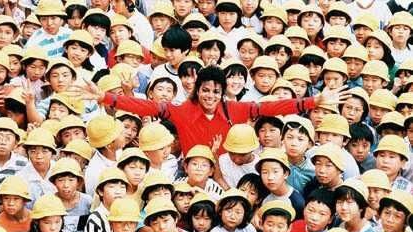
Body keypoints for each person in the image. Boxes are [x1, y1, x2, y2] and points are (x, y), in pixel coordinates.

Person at [73, 65, 351, 156]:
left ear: (222, 92)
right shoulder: (181, 111)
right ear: (197, 90)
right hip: (193, 174)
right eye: (205, 90)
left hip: (227, 174)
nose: (210, 95)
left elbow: (271, 105)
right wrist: (106, 97)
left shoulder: (236, 109)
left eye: (215, 91)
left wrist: (313, 102)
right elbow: (145, 105)